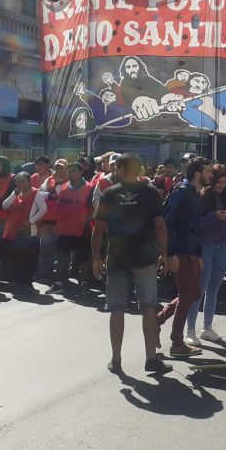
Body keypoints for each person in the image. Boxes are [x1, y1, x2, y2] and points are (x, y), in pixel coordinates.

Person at [91, 153, 171, 375]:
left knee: (117, 309)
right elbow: (160, 226)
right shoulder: (150, 192)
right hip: (144, 257)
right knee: (148, 307)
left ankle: (116, 360)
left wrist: (96, 257)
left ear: (122, 169)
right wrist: (164, 253)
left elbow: (98, 228)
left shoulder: (109, 193)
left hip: (117, 258)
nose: (114, 171)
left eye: (116, 167)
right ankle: (151, 359)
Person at [158, 158, 205, 357]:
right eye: (208, 171)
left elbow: (196, 226)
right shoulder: (181, 192)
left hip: (191, 250)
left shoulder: (195, 193)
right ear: (197, 174)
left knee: (194, 294)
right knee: (187, 296)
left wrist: (199, 254)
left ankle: (158, 319)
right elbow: (167, 223)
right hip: (181, 251)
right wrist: (170, 254)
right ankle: (177, 344)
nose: (210, 175)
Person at [186, 165, 226, 343]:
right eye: (219, 181)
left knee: (213, 289)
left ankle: (207, 327)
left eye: (224, 182)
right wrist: (214, 216)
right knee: (199, 289)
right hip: (206, 245)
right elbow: (195, 223)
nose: (221, 185)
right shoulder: (203, 196)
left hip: (223, 244)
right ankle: (190, 330)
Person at [47, 162, 93, 294]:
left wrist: (86, 223)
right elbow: (59, 207)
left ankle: (84, 283)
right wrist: (57, 225)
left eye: (74, 171)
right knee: (62, 257)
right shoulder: (64, 188)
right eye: (70, 171)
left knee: (83, 258)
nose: (71, 173)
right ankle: (60, 283)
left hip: (81, 229)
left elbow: (93, 208)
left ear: (80, 173)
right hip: (64, 229)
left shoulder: (89, 187)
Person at [1, 172, 47, 295]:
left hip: (27, 232)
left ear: (29, 181)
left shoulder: (37, 193)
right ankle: (16, 281)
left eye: (23, 181)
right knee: (15, 258)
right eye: (18, 181)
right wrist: (13, 195)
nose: (20, 183)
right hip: (13, 231)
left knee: (28, 258)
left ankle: (27, 282)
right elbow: (5, 206)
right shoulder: (16, 193)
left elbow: (43, 209)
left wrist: (30, 221)